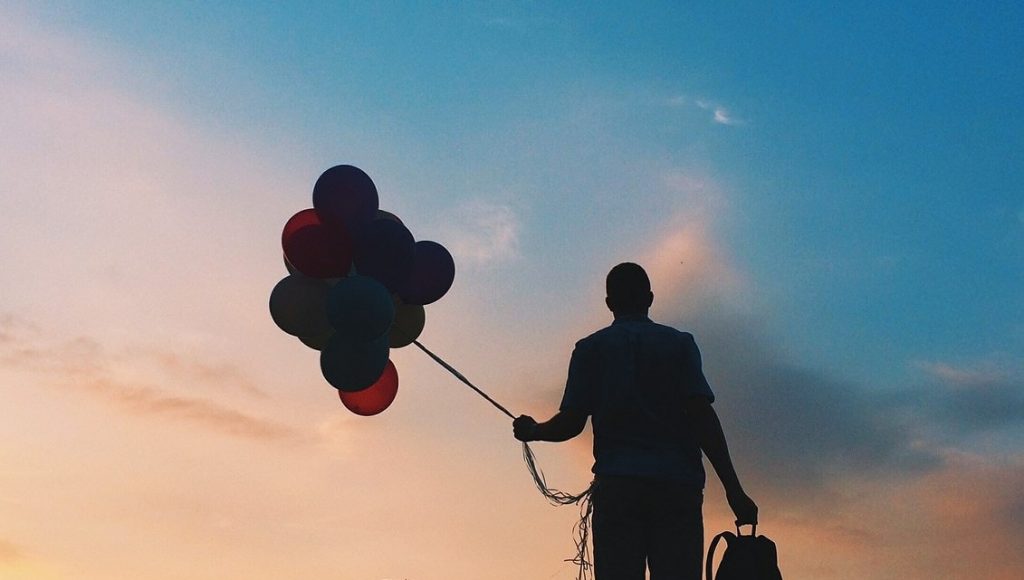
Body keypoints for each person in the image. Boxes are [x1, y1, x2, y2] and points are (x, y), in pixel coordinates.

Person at [513, 262, 758, 580]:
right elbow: (702, 417)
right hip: (677, 488)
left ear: (609, 303)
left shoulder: (590, 350)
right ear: (650, 298)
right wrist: (734, 490)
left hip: (618, 490)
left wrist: (534, 431)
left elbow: (572, 423)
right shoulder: (680, 345)